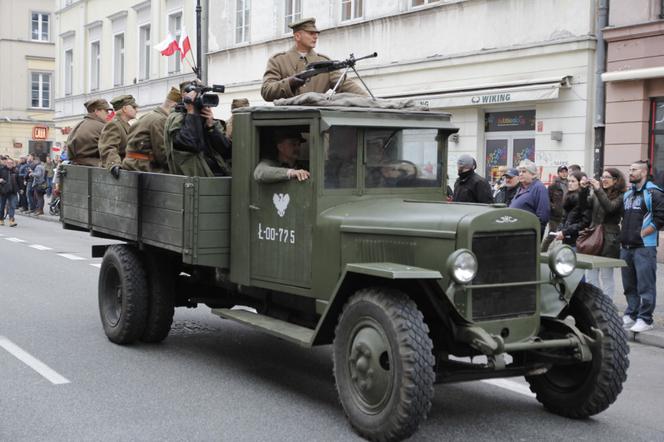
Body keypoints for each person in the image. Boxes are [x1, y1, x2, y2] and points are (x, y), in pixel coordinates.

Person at [261, 17, 367, 102]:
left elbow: (346, 85)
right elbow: (266, 91)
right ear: (297, 36)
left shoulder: (325, 63)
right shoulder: (278, 61)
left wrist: (373, 101)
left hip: (315, 122)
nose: (315, 37)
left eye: (316, 34)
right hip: (287, 121)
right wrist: (290, 83)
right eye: (311, 33)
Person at [620, 160, 664, 333]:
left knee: (645, 285)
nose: (630, 172)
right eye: (629, 169)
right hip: (626, 246)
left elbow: (661, 217)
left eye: (634, 169)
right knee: (629, 285)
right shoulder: (627, 194)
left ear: (644, 172)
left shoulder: (654, 193)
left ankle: (645, 319)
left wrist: (645, 232)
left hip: (645, 247)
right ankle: (631, 314)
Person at [164, 81, 232, 177]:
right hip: (195, 181)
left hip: (219, 178)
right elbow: (190, 143)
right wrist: (191, 112)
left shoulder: (208, 119)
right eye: (196, 94)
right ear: (184, 95)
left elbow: (226, 151)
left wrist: (211, 126)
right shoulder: (176, 118)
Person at [585, 168, 626, 298]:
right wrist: (583, 190)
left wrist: (598, 190)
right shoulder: (598, 192)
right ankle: (596, 303)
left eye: (607, 177)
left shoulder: (621, 195)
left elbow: (610, 207)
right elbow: (585, 206)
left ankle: (608, 304)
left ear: (616, 180)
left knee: (606, 274)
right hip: (593, 235)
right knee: (590, 273)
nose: (603, 180)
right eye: (602, 177)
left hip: (609, 238)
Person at [123, 88, 181, 173]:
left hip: (133, 165)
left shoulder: (149, 115)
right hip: (144, 167)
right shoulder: (161, 120)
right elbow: (162, 154)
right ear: (174, 106)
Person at [99, 95, 138, 176]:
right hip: (120, 172)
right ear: (124, 109)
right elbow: (108, 147)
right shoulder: (114, 125)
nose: (137, 110)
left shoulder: (125, 125)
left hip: (127, 170)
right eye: (134, 107)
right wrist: (114, 164)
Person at [66, 98, 112, 167]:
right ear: (97, 111)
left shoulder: (78, 125)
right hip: (97, 166)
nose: (108, 114)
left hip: (76, 166)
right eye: (106, 111)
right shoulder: (103, 127)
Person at [509, 160, 550, 235]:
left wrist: (532, 233)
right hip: (515, 232)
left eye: (524, 171)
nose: (520, 174)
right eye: (520, 171)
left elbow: (543, 216)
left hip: (527, 235)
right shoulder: (521, 188)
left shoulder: (539, 188)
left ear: (533, 174)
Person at [551, 171, 591, 247]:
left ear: (581, 183)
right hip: (567, 238)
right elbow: (565, 217)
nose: (569, 183)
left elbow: (585, 222)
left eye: (573, 181)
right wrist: (560, 230)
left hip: (578, 240)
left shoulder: (584, 199)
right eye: (569, 181)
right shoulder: (569, 196)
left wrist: (565, 232)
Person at [541, 165, 569, 252]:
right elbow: (547, 199)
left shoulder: (570, 183)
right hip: (555, 215)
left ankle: (564, 253)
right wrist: (553, 207)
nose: (564, 174)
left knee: (565, 235)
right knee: (551, 235)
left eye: (565, 172)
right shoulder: (553, 185)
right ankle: (542, 252)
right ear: (558, 173)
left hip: (566, 214)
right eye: (562, 172)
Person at [0, 157, 18, 226]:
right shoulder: (1, 170)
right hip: (3, 191)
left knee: (12, 206)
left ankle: (11, 220)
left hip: (13, 191)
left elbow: (19, 180)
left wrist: (21, 189)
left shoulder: (15, 170)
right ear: (6, 163)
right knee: (2, 206)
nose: (10, 164)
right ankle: (1, 219)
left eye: (11, 163)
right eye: (8, 163)